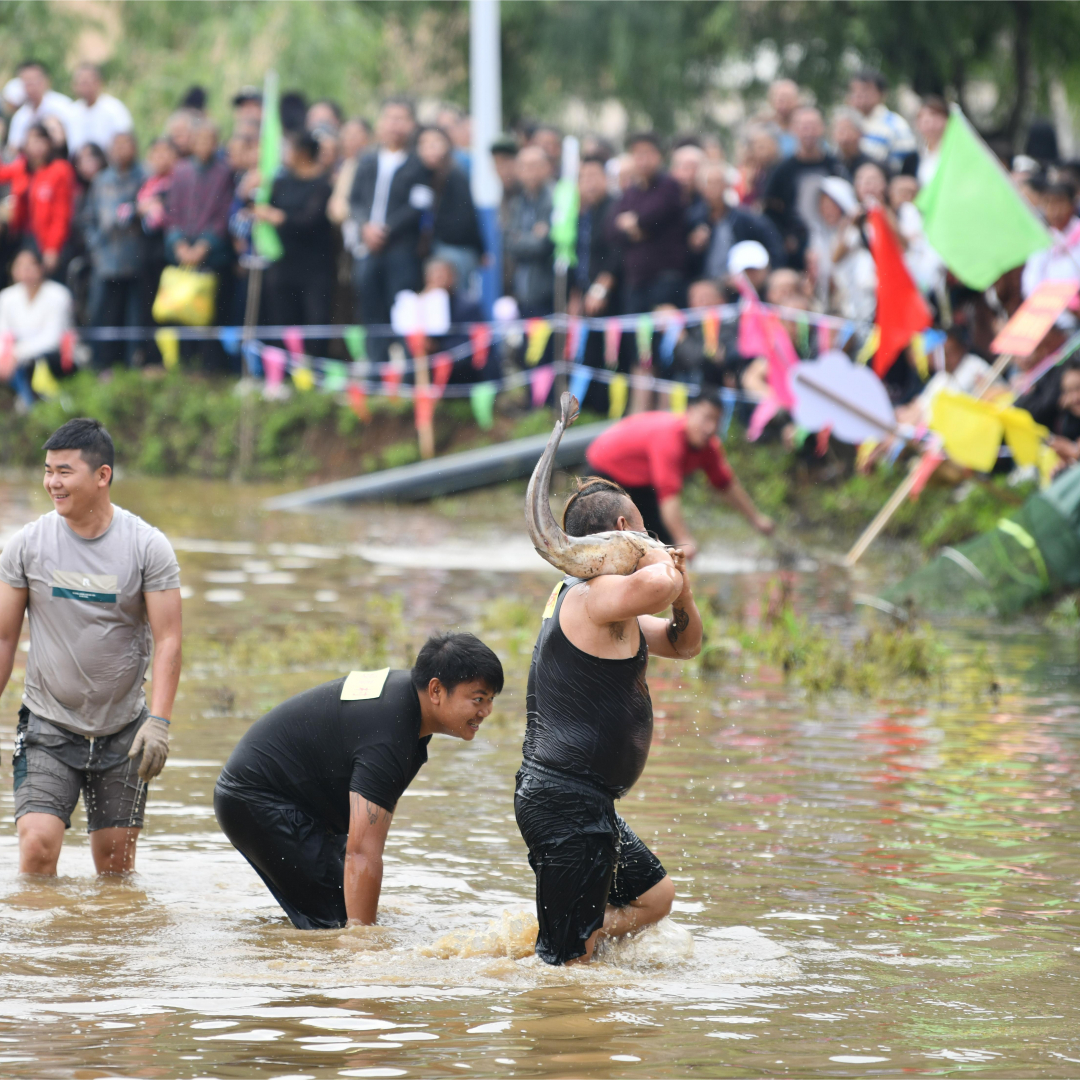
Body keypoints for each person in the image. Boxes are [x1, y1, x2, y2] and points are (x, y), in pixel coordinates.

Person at [515, 478, 702, 965]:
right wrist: (663, 559)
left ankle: (567, 935)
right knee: (567, 976)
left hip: (586, 802)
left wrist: (684, 597)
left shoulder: (614, 606)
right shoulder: (591, 596)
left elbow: (686, 645)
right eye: (643, 524)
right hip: (565, 801)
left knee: (655, 897)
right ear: (624, 529)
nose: (653, 532)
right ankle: (566, 945)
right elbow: (659, 583)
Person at [214, 633, 502, 930]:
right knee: (340, 926)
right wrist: (364, 950)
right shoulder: (390, 734)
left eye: (491, 700)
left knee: (346, 909)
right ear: (436, 690)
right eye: (478, 699)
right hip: (256, 799)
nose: (486, 712)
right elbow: (362, 852)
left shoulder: (404, 708)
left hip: (296, 803)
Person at [0, 418, 182, 876]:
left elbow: (169, 641)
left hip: (123, 729)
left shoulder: (147, 547)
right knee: (37, 847)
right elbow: (4, 638)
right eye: (47, 471)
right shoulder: (27, 545)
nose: (52, 483)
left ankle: (106, 947)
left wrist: (158, 723)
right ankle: (40, 948)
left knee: (115, 867)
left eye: (64, 472)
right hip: (49, 725)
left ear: (102, 476)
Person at [586, 388, 775, 557]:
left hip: (642, 483)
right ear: (690, 413)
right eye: (706, 418)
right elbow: (669, 497)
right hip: (605, 471)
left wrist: (757, 519)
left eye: (716, 421)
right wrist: (686, 539)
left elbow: (725, 484)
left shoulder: (709, 446)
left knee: (662, 546)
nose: (710, 428)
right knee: (600, 543)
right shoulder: (670, 439)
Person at [348, 98, 429, 360]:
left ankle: (406, 376)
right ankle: (376, 370)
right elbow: (355, 200)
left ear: (411, 124)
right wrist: (365, 227)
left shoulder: (418, 163)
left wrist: (385, 230)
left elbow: (418, 204)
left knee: (403, 310)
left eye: (401, 118)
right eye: (390, 118)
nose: (395, 124)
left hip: (401, 249)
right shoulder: (367, 160)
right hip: (368, 247)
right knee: (370, 310)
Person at [163, 120, 234, 367]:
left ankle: (210, 369)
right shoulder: (181, 170)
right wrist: (179, 244)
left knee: (210, 314)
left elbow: (223, 214)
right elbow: (171, 212)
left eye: (209, 140)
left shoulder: (223, 172)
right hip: (181, 254)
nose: (204, 145)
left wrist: (204, 245)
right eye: (199, 140)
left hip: (211, 256)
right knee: (180, 312)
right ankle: (183, 366)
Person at [256, 131, 333, 353]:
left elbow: (310, 219)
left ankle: (315, 370)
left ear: (302, 153)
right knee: (282, 318)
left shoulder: (322, 185)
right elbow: (262, 207)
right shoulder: (280, 182)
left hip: (314, 265)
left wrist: (279, 217)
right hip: (283, 262)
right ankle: (287, 370)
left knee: (315, 317)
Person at [84, 132, 144, 370]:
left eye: (126, 144)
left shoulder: (143, 177)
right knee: (103, 313)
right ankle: (101, 365)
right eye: (116, 145)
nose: (121, 150)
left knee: (133, 316)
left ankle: (132, 365)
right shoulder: (101, 180)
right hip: (105, 259)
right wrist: (94, 244)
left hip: (134, 259)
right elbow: (88, 218)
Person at [609, 132, 688, 313]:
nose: (642, 160)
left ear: (658, 155)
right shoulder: (630, 192)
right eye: (637, 154)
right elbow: (611, 229)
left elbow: (654, 215)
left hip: (665, 278)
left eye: (647, 154)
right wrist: (636, 228)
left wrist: (634, 222)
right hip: (636, 280)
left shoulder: (669, 186)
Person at [763, 106, 841, 272]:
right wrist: (784, 237)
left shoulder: (835, 165)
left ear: (822, 128)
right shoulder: (782, 170)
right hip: (796, 246)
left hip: (833, 241)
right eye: (803, 127)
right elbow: (769, 209)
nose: (808, 132)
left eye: (813, 126)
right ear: (793, 130)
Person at [415, 125, 484, 298]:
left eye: (435, 142)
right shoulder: (426, 175)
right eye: (424, 143)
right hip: (441, 248)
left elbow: (468, 217)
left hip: (454, 250)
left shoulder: (454, 174)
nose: (430, 148)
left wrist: (481, 249)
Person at [0, 246, 72, 411]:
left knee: (32, 363)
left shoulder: (58, 295)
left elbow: (53, 339)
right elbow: (3, 334)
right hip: (14, 358)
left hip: (51, 356)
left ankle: (32, 403)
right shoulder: (6, 297)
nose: (25, 271)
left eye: (30, 265)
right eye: (20, 266)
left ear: (41, 268)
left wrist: (17, 354)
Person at [689, 160, 785, 281]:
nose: (713, 188)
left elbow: (773, 242)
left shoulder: (746, 218)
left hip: (742, 282)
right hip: (706, 284)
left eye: (718, 183)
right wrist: (693, 247)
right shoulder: (693, 219)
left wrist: (768, 274)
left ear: (727, 185)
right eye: (708, 183)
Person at [504, 145, 555, 318]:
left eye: (534, 165)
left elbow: (544, 245)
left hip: (547, 292)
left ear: (547, 167)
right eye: (524, 166)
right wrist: (531, 237)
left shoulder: (554, 199)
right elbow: (508, 242)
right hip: (523, 290)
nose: (529, 172)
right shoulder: (518, 203)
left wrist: (522, 239)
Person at [848, 70, 917, 174]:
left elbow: (903, 169)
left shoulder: (895, 125)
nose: (858, 95)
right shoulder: (850, 124)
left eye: (865, 90)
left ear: (882, 94)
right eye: (854, 90)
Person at [1021, 180, 1080, 298]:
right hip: (1049, 309)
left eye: (1059, 203)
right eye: (1049, 204)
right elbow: (1030, 281)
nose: (1054, 211)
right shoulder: (1044, 239)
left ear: (1072, 205)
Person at [68, 64, 133, 156]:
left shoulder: (114, 108)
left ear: (98, 83)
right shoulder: (71, 112)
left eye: (87, 82)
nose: (84, 87)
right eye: (80, 83)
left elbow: (125, 141)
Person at [6, 61, 72, 151]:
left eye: (33, 81)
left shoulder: (63, 106)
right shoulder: (20, 116)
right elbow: (13, 148)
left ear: (45, 81)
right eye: (26, 82)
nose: (30, 87)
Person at [915, 96, 948, 187]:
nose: (927, 120)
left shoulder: (955, 152)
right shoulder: (915, 158)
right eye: (921, 116)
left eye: (933, 114)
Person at [831, 108, 870, 181]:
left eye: (848, 130)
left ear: (860, 133)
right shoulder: (829, 162)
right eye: (840, 130)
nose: (844, 136)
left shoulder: (870, 165)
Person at [766, 78, 801, 158]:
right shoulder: (764, 129)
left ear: (797, 101)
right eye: (781, 100)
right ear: (771, 101)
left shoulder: (807, 129)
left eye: (789, 100)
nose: (785, 105)